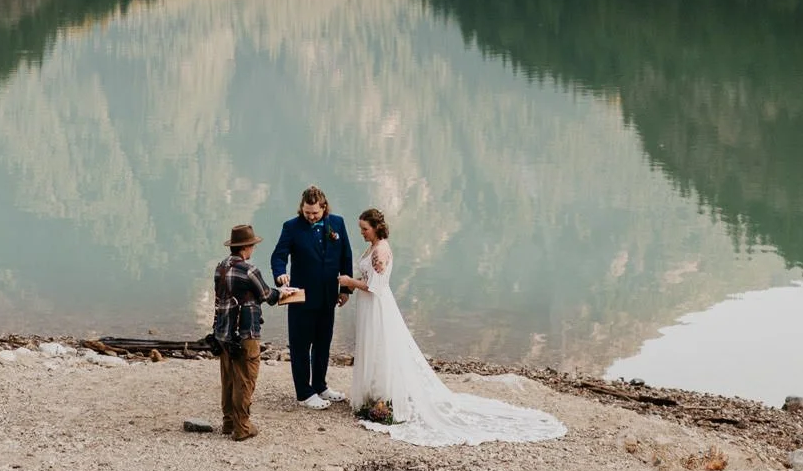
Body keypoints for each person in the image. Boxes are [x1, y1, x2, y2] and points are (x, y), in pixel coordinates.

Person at [340, 207, 565, 447]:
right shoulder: (374, 246)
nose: (362, 233)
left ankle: (384, 402)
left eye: (364, 229)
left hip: (377, 307)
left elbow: (375, 286)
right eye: (361, 229)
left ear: (375, 228)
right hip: (370, 307)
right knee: (375, 350)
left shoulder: (381, 250)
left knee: (382, 350)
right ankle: (376, 397)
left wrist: (348, 282)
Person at [212, 222, 302, 441]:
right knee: (245, 379)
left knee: (229, 378)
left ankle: (228, 422)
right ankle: (242, 427)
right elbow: (267, 296)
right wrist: (284, 293)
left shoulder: (220, 267)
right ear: (246, 247)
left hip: (223, 333)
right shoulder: (249, 269)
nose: (252, 249)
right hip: (245, 333)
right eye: (251, 245)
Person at [270, 186, 353, 409]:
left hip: (328, 296)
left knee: (323, 343)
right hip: (300, 297)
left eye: (314, 212)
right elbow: (278, 256)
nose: (311, 216)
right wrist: (280, 274)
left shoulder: (338, 223)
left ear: (324, 207)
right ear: (302, 208)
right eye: (307, 212)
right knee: (300, 346)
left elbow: (346, 256)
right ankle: (304, 393)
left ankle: (320, 386)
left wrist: (345, 290)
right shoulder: (291, 227)